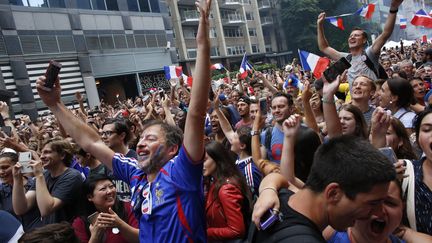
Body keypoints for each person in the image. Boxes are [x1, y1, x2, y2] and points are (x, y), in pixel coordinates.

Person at [35, 0, 212, 241]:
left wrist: (202, 44)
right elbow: (91, 143)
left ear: (173, 149)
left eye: (150, 139)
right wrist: (55, 104)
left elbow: (196, 113)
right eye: (140, 139)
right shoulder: (135, 174)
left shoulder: (182, 170)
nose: (139, 144)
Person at [251, 135, 396, 242]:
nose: (379, 213)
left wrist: (268, 189)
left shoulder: (283, 198)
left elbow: (280, 180)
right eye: (373, 203)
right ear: (334, 193)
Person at [317, 0, 404, 86]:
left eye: (356, 35)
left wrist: (393, 8)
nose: (352, 37)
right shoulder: (346, 59)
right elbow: (324, 48)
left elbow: (386, 33)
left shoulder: (370, 54)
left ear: (364, 40)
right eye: (351, 36)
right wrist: (319, 25)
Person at [325, 180, 432, 243]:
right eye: (372, 202)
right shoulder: (326, 237)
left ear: (402, 209)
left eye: (390, 203)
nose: (380, 211)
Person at [12, 139, 83, 225]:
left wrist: (39, 175)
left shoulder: (72, 176)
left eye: (47, 152)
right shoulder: (45, 175)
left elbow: (46, 209)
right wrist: (17, 179)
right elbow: (21, 208)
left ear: (62, 155)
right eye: (41, 152)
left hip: (67, 233)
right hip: (50, 232)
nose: (41, 156)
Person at [203, 141, 251, 242]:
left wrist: (206, 232)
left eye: (205, 160)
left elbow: (237, 230)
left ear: (218, 159)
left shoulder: (226, 189)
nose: (201, 165)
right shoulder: (216, 181)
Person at [72, 174, 138, 243]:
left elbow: (142, 238)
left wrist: (120, 224)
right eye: (103, 189)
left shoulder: (128, 207)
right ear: (90, 197)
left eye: (111, 186)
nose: (109, 191)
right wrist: (95, 236)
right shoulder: (80, 223)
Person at [0, 151, 42, 231]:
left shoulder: (35, 184)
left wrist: (17, 178)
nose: (1, 172)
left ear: (19, 165)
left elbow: (21, 209)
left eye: (5, 167)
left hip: (37, 234)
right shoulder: (2, 190)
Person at [260, 92, 295, 163]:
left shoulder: (304, 131)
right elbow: (263, 164)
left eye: (281, 106)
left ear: (291, 109)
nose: (276, 110)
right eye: (274, 108)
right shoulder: (266, 135)